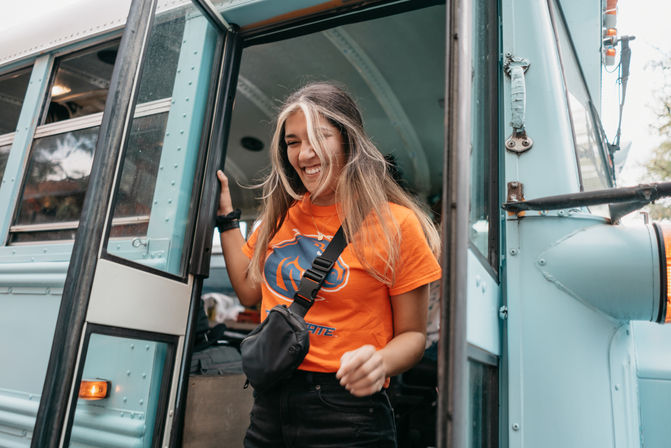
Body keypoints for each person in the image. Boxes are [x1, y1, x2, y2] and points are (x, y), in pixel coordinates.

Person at [216, 82, 441, 447]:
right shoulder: (279, 216)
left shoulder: (397, 224)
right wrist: (227, 219)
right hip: (270, 404)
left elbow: (413, 337)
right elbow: (246, 289)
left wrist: (381, 362)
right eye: (292, 142)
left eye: (320, 137)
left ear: (348, 141)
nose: (305, 154)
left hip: (347, 411)